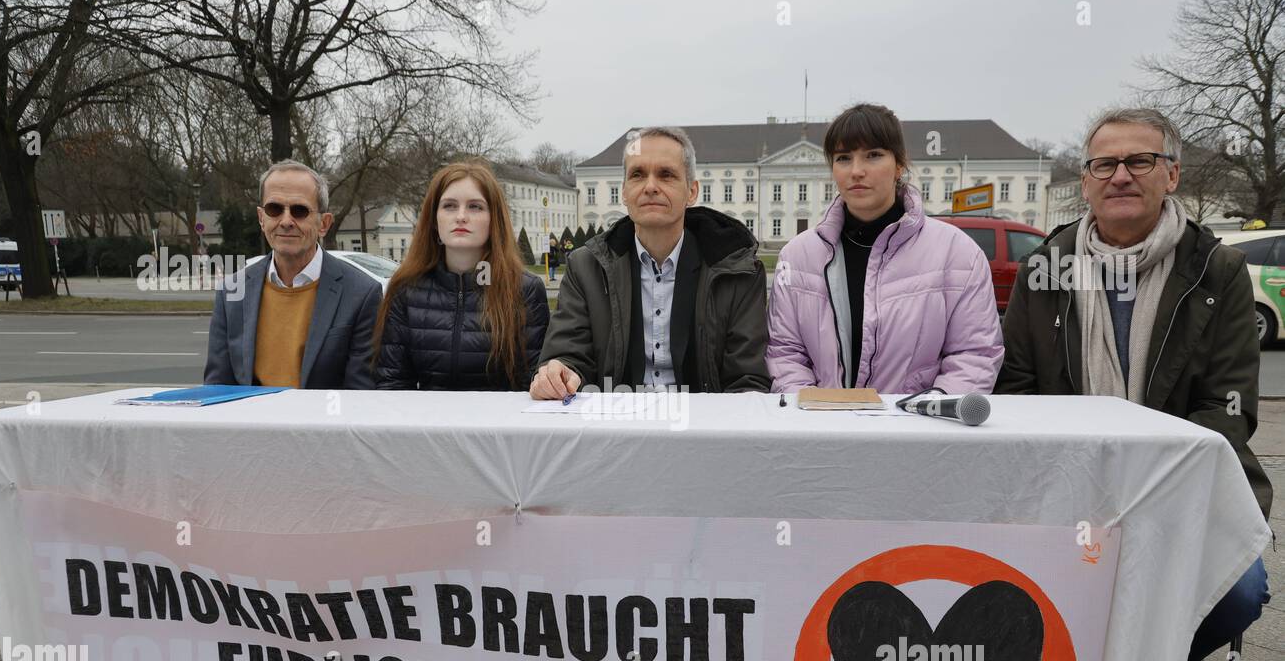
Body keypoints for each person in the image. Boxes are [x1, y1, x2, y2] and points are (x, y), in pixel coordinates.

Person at [997, 107, 1271, 661]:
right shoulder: (1046, 269)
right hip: (1068, 488)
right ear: (1086, 181)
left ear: (1171, 174)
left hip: (1186, 489)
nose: (1120, 175)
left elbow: (1229, 408)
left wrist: (1148, 480)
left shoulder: (1217, 271)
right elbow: (1015, 392)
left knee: (1241, 593)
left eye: (1139, 160)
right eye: (1104, 164)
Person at [766, 103, 1003, 395]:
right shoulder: (797, 257)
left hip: (916, 432)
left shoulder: (957, 254)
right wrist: (813, 417)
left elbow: (974, 355)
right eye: (843, 158)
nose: (856, 171)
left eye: (873, 155)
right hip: (822, 433)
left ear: (899, 164)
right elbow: (785, 353)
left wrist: (925, 415)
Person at [532, 126, 769, 397]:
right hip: (616, 427)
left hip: (703, 429)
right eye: (638, 175)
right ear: (624, 191)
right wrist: (561, 372)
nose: (651, 186)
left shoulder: (737, 271)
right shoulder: (586, 268)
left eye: (666, 175)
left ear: (691, 191)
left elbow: (747, 379)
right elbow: (568, 355)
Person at [205, 159, 381, 389]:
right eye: (274, 209)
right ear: (261, 218)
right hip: (251, 423)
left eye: (299, 211)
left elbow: (359, 397)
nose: (286, 221)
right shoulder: (231, 292)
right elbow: (217, 389)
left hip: (325, 423)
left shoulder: (362, 294)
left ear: (324, 223)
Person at [373, 161, 548, 390]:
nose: (461, 216)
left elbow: (533, 384)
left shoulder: (524, 290)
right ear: (434, 220)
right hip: (427, 423)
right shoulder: (406, 290)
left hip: (501, 423)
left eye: (475, 206)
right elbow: (391, 384)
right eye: (449, 206)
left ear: (494, 219)